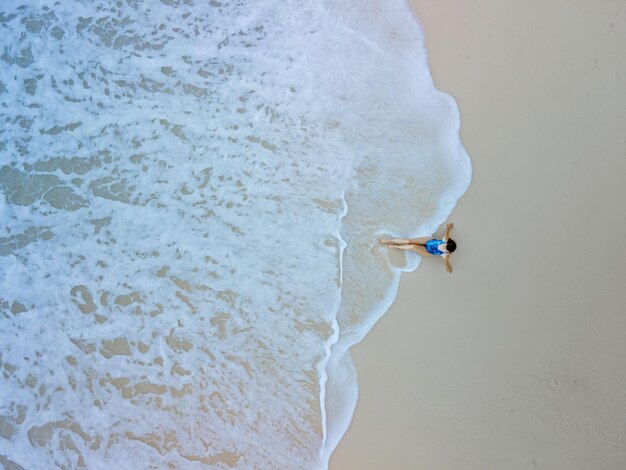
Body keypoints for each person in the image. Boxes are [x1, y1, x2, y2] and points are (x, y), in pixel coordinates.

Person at [380, 223, 457, 273]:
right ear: (446, 243)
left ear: (447, 252)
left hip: (427, 251)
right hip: (428, 241)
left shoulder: (446, 254)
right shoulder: (445, 239)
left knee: (412, 246)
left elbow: (446, 262)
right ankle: (388, 240)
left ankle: (395, 246)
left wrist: (448, 267)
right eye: (444, 246)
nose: (443, 248)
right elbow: (447, 232)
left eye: (445, 249)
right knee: (409, 241)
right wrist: (448, 227)